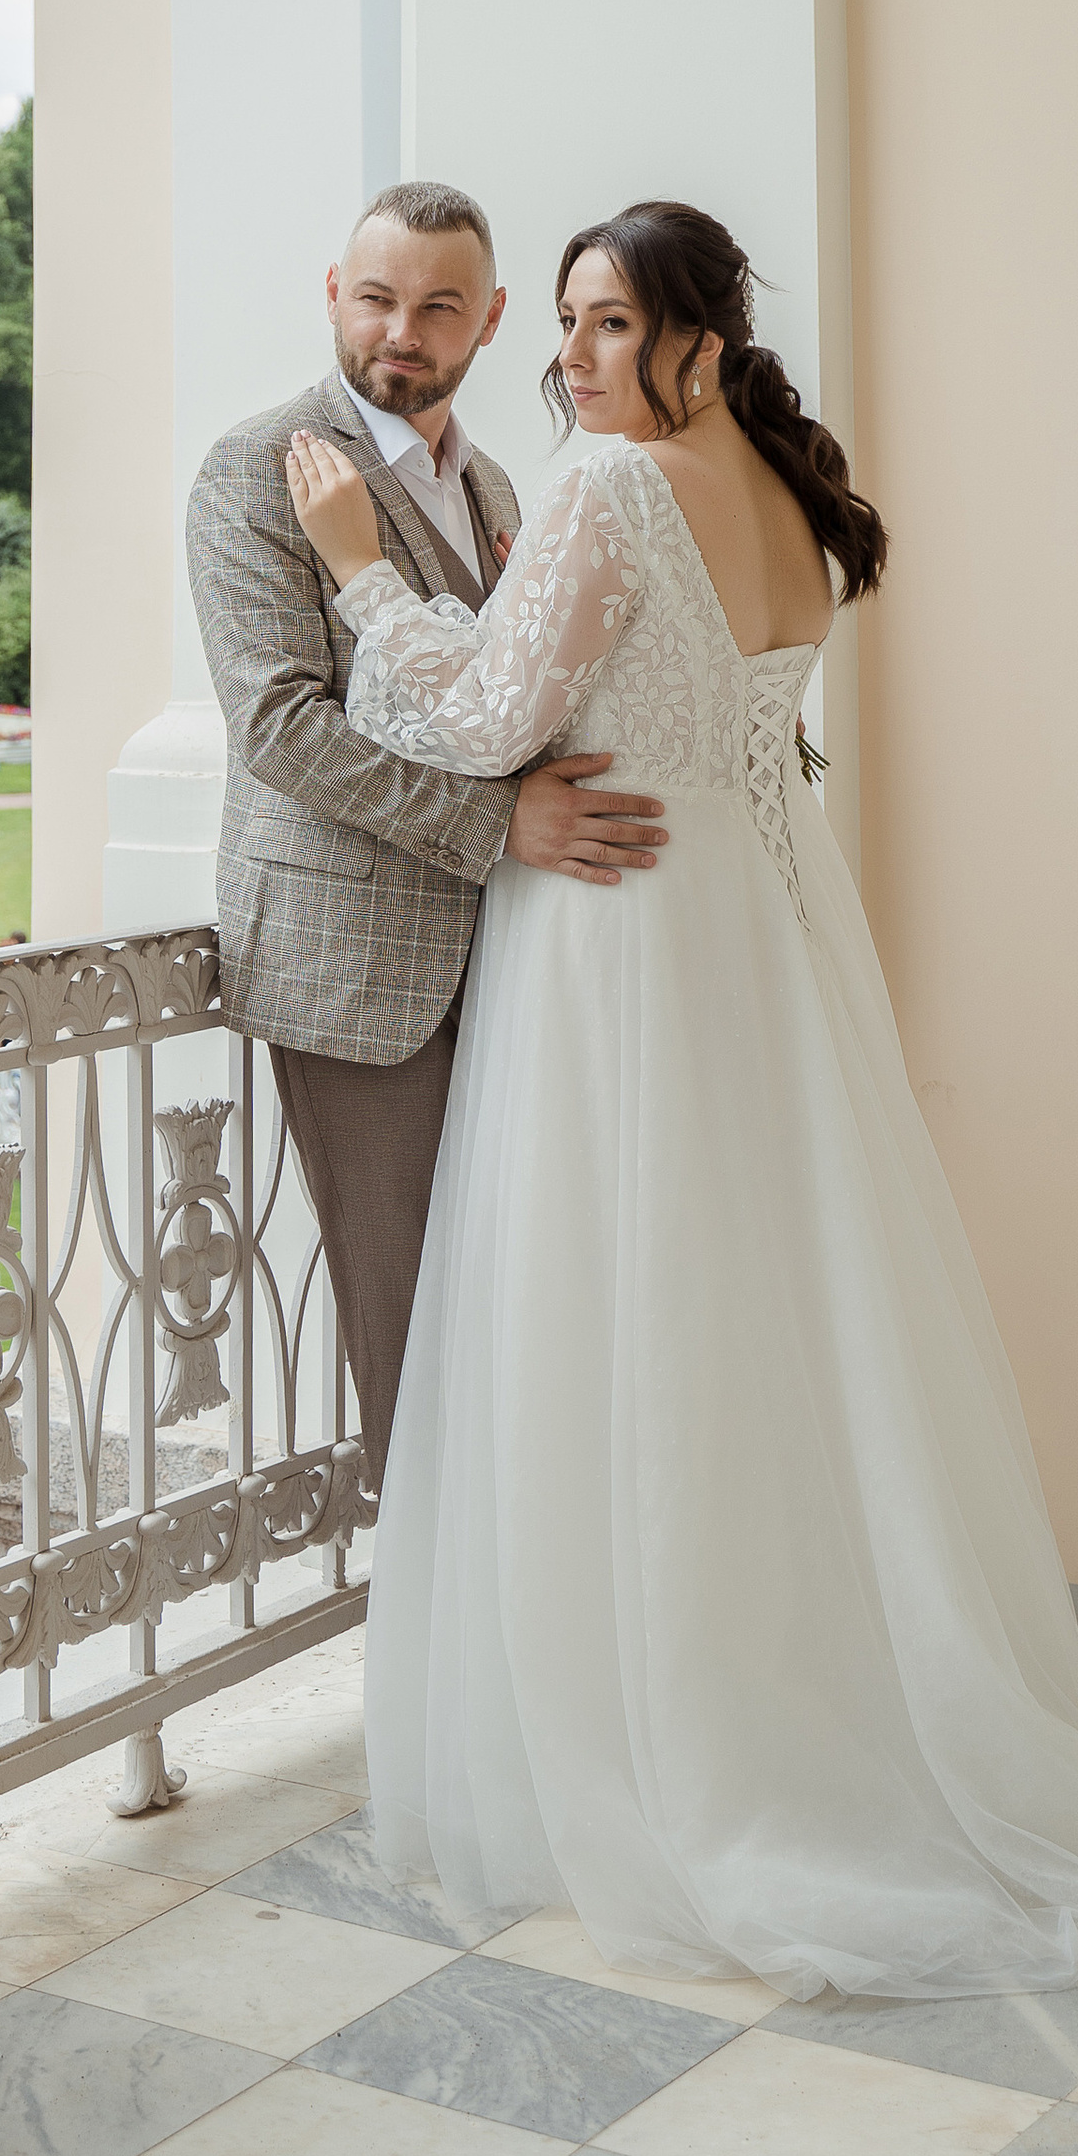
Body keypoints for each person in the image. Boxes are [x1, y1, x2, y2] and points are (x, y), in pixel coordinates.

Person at [283, 198, 1078, 2000]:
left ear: (702, 338)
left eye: (611, 325)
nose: (573, 361)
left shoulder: (617, 489)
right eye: (563, 323)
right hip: (767, 935)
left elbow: (485, 718)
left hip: (623, 940)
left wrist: (357, 565)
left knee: (628, 1324)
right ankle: (786, 1703)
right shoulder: (793, 496)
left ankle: (665, 1756)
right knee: (769, 1322)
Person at [188, 183, 668, 1496]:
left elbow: (493, 699)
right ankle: (436, 1676)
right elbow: (281, 728)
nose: (404, 329)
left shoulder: (502, 484)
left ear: (493, 321)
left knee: (520, 1313)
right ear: (333, 295)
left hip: (517, 958)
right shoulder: (253, 471)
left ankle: (519, 1623)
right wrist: (503, 819)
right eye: (378, 297)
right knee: (408, 1337)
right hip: (356, 973)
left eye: (440, 306)